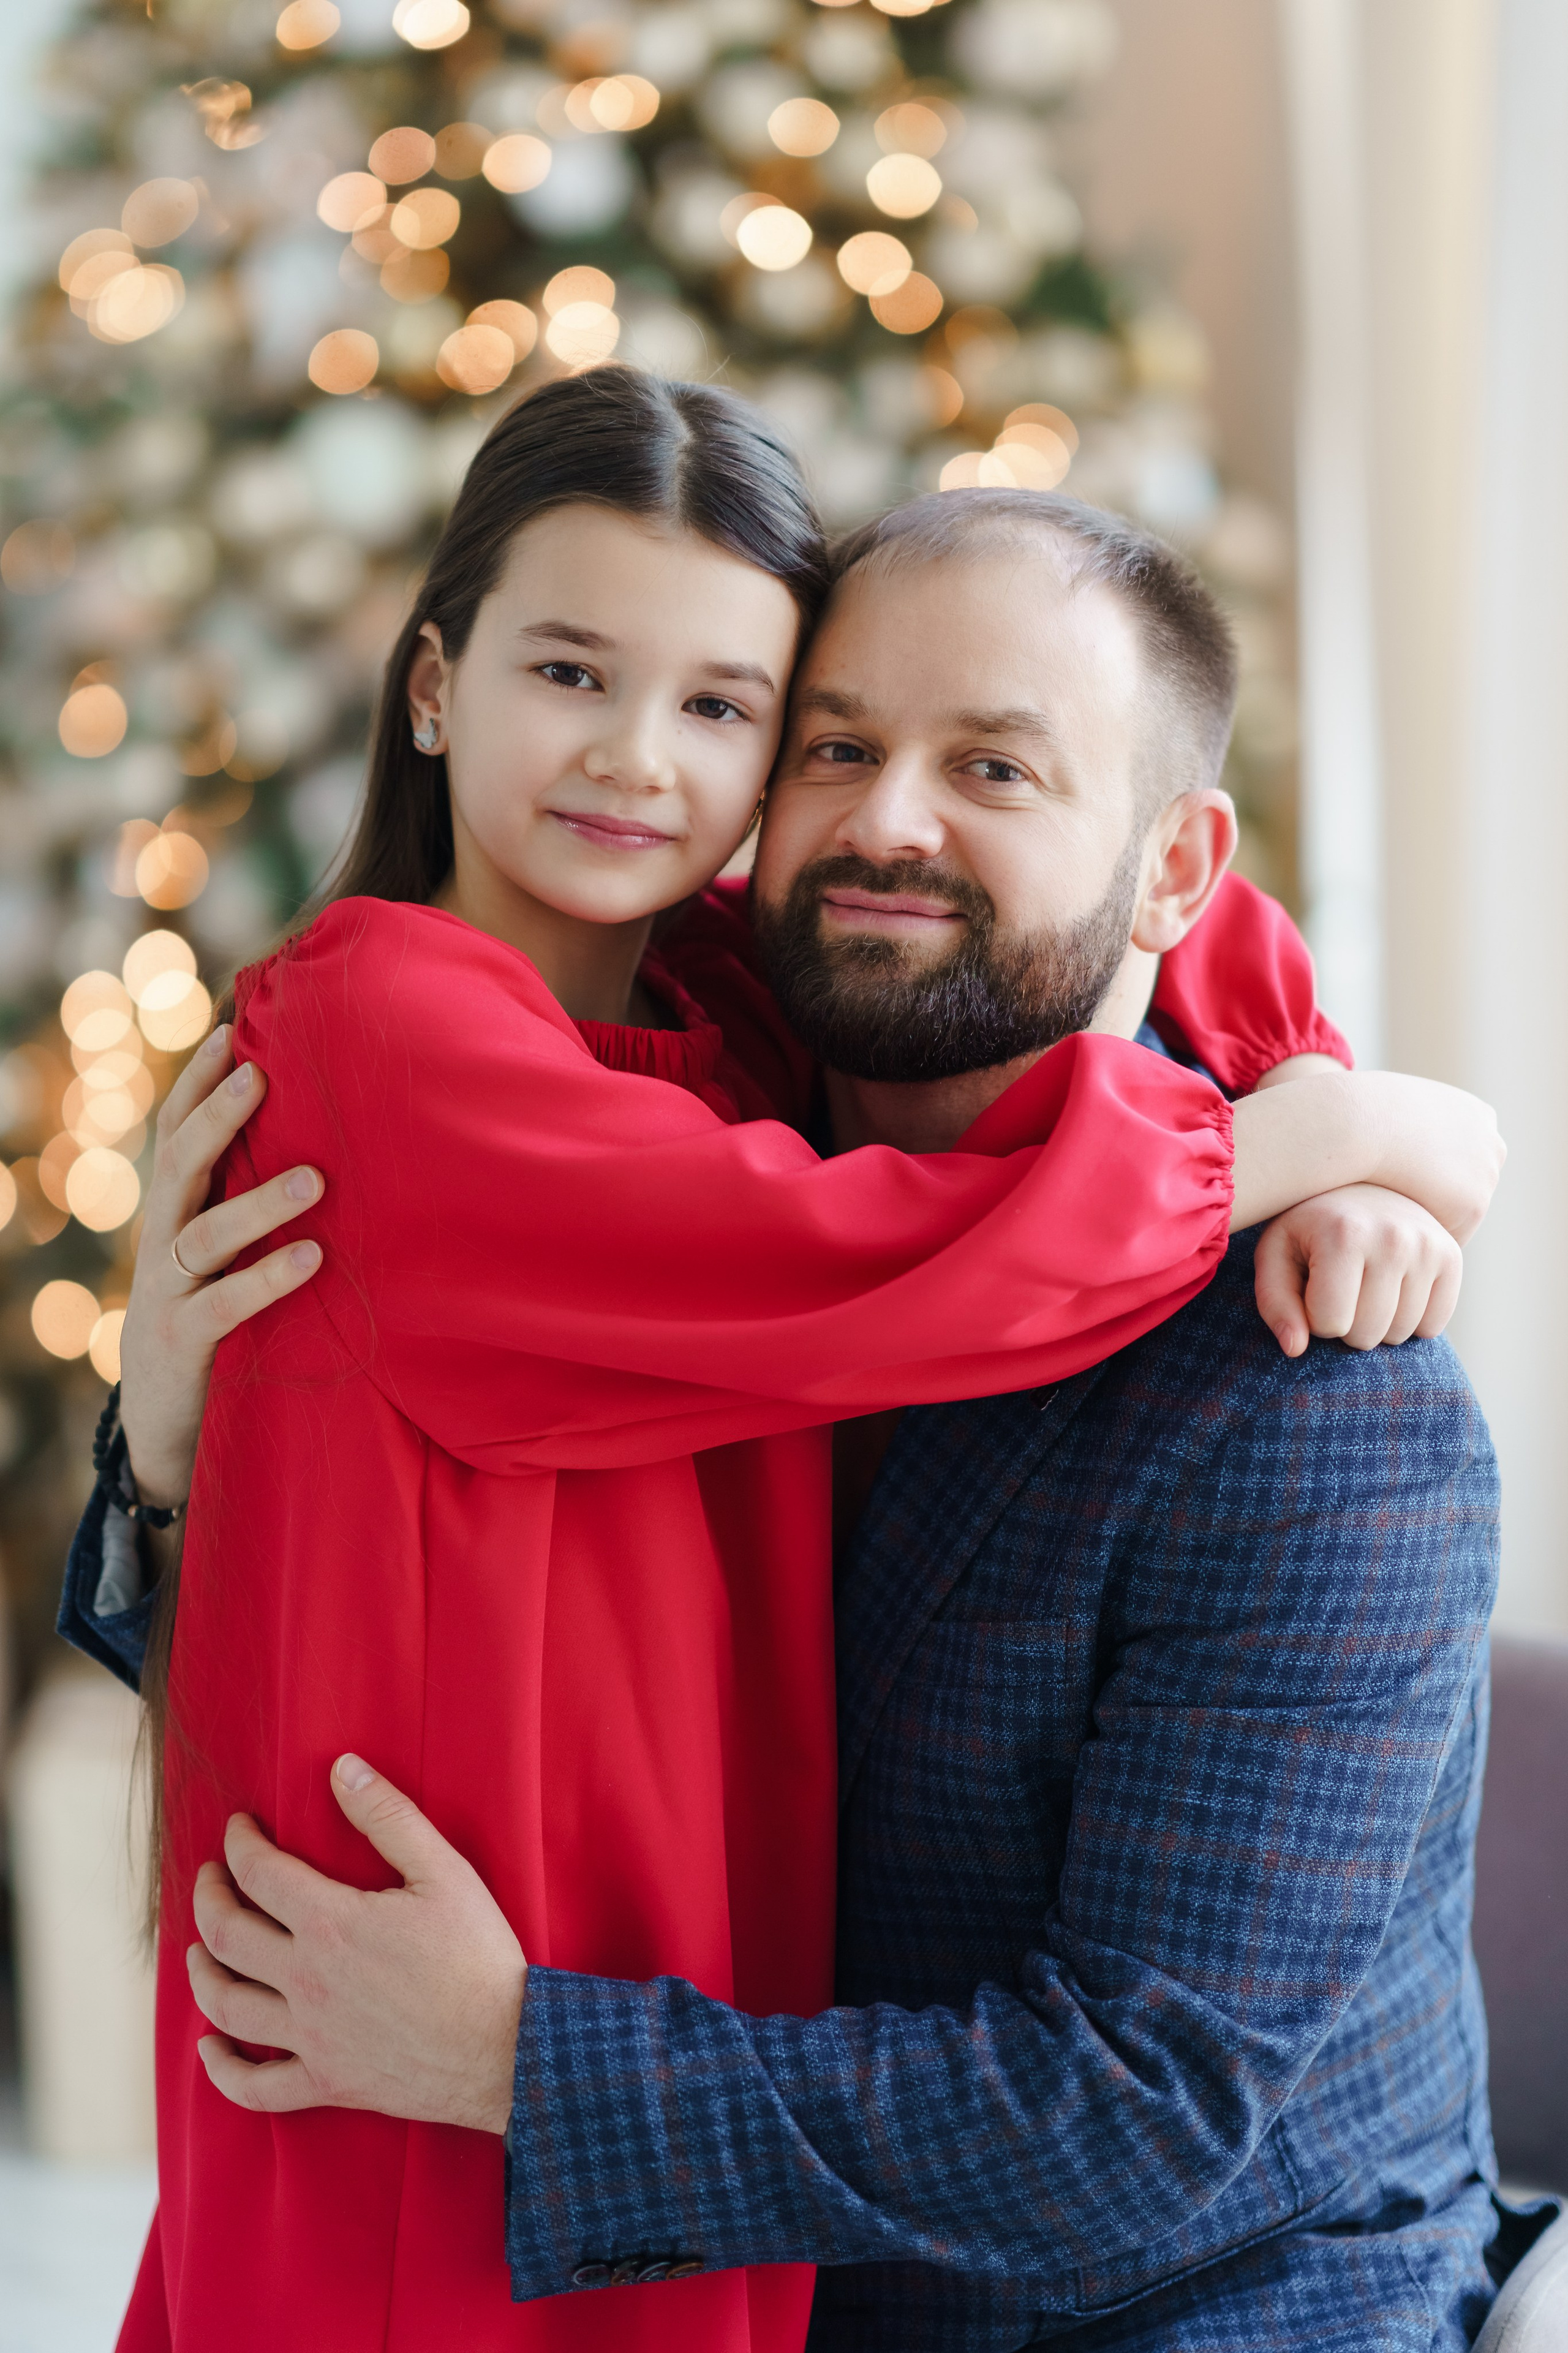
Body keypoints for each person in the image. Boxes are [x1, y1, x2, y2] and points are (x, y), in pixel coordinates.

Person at [61, 429, 1501, 2353]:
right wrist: (162, 1450)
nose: (890, 820)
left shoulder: (1321, 1400)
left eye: (992, 763)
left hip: (1160, 2299)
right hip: (637, 2233)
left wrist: (1383, 1126)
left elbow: (1131, 2118)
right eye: (837, 744)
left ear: (1165, 860)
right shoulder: (702, 1050)